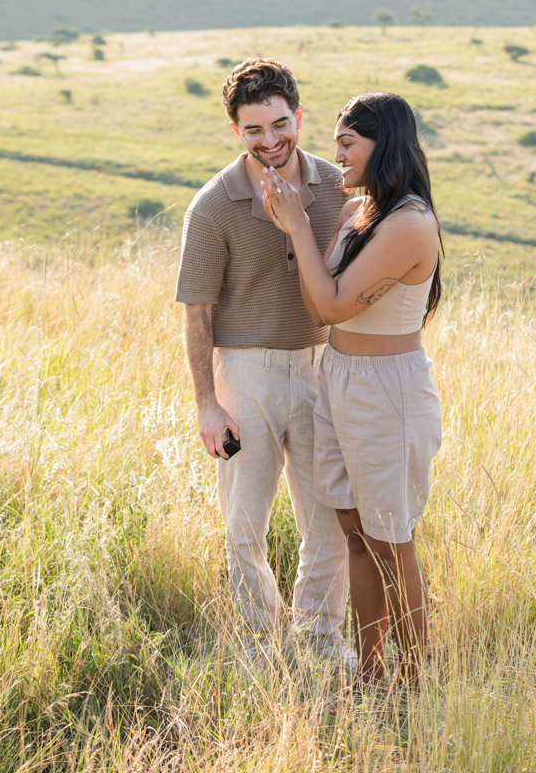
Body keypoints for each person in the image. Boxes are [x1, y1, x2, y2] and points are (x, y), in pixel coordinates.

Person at [261, 91, 442, 689]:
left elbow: (334, 304)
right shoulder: (357, 212)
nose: (336, 155)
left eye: (348, 144)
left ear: (381, 144)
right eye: (336, 142)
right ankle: (370, 675)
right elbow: (322, 307)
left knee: (392, 540)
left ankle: (413, 684)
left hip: (387, 393)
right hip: (337, 378)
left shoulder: (410, 222)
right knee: (355, 534)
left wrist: (295, 228)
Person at [174, 57, 351, 664]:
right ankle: (258, 643)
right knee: (242, 526)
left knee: (327, 518)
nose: (270, 141)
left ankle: (320, 640)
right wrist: (207, 402)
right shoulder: (214, 205)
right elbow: (196, 312)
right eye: (254, 130)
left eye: (280, 124)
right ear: (236, 132)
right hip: (245, 374)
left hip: (325, 369)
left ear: (298, 115)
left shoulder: (339, 188)